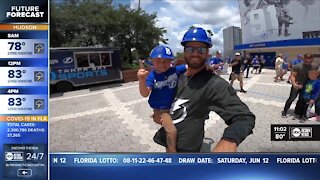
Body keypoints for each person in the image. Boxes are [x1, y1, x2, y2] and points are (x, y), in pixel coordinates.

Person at [152, 27, 255, 152]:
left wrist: (229, 141)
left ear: (207, 53)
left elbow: (244, 117)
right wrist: (159, 112)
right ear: (184, 51)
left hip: (188, 148)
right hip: (168, 140)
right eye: (190, 49)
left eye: (201, 49)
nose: (195, 53)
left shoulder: (214, 85)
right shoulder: (175, 75)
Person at [137, 45, 187, 153]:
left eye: (166, 61)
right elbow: (145, 93)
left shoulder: (174, 70)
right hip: (162, 110)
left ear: (171, 61)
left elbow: (190, 67)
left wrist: (206, 67)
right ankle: (173, 155)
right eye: (158, 61)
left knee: (173, 130)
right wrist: (141, 80)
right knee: (172, 132)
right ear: (152, 61)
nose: (162, 64)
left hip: (173, 107)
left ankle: (169, 148)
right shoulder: (152, 76)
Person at [282, 53, 314, 118]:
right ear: (304, 59)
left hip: (306, 86)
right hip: (296, 85)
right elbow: (292, 76)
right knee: (291, 98)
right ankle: (285, 111)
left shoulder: (313, 67)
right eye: (306, 61)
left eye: (310, 61)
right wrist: (294, 84)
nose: (308, 63)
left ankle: (298, 111)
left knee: (302, 100)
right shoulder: (297, 66)